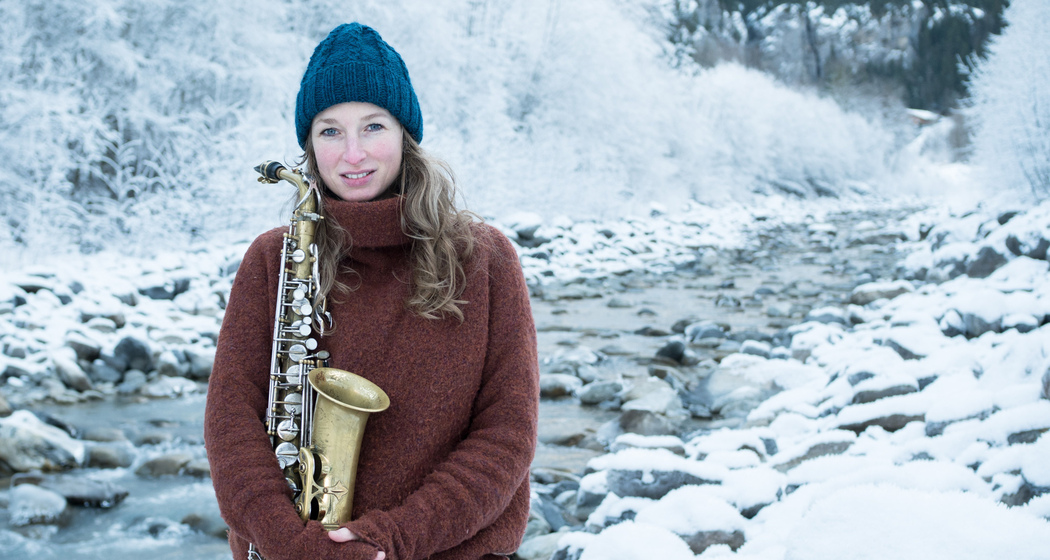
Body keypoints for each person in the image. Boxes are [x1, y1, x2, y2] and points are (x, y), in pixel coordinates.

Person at [204, 23, 539, 560]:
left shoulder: (485, 258)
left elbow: (507, 434)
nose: (353, 154)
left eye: (373, 126)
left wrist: (395, 538)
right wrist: (292, 543)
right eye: (330, 130)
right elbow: (230, 423)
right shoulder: (273, 259)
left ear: (406, 134)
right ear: (309, 145)